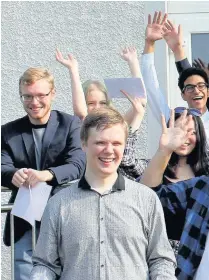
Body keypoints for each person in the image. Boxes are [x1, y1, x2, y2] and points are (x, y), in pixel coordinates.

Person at [30, 107, 177, 280]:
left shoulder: (146, 199)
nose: (109, 150)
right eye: (100, 142)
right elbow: (45, 265)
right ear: (83, 144)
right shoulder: (58, 204)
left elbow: (161, 259)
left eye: (116, 143)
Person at [1, 67, 86, 280]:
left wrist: (46, 175)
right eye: (27, 96)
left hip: (65, 215)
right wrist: (13, 174)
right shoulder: (8, 131)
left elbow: (77, 164)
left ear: (53, 94)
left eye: (41, 95)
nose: (34, 102)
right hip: (25, 219)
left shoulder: (70, 124)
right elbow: (1, 166)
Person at [56, 47, 150, 179]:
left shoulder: (116, 123)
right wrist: (73, 70)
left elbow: (141, 101)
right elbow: (81, 113)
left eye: (102, 103)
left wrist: (133, 62)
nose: (97, 107)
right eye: (91, 103)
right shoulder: (81, 125)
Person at [140, 110, 209, 280]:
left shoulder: (204, 170)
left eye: (192, 132)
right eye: (179, 131)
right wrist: (164, 151)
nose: (185, 138)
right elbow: (148, 197)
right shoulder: (202, 186)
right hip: (168, 260)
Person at [140, 11, 209, 144]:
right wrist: (149, 44)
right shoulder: (174, 119)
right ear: (182, 94)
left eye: (201, 86)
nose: (196, 91)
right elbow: (150, 87)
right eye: (189, 88)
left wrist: (178, 50)